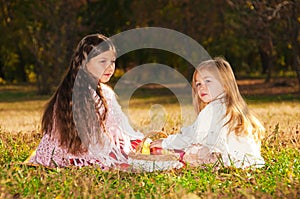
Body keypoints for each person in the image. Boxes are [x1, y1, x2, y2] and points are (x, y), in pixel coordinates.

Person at [27, 34, 144, 170]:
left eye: (112, 61)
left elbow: (119, 127)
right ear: (85, 62)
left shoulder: (104, 92)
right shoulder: (77, 93)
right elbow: (92, 141)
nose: (110, 67)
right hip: (74, 151)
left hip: (92, 145)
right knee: (125, 164)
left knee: (135, 147)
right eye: (103, 61)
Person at [151, 57, 265, 169]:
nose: (202, 87)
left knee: (191, 153)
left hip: (228, 162)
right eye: (198, 84)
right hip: (250, 162)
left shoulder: (213, 109)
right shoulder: (234, 109)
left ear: (225, 84)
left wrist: (165, 143)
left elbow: (191, 137)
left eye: (208, 81)